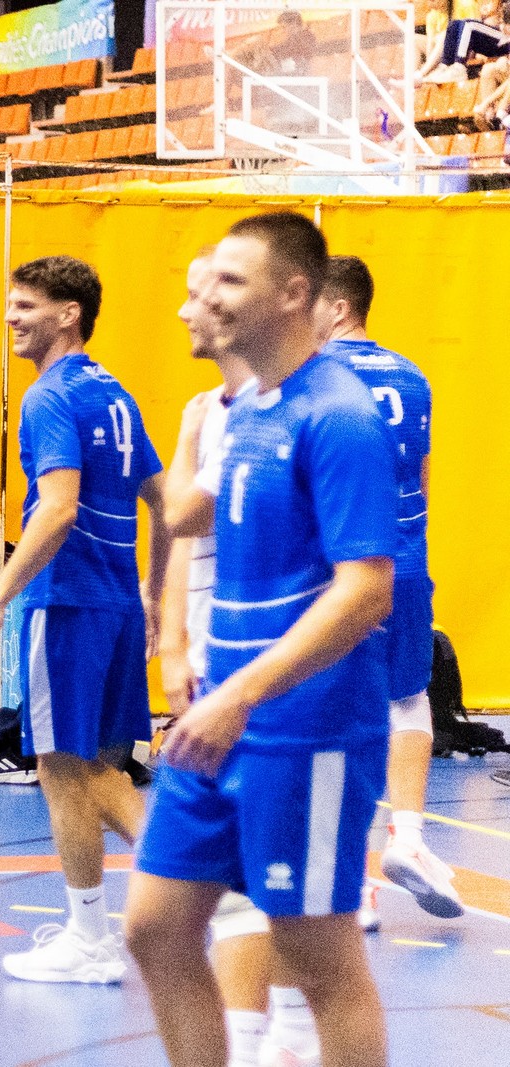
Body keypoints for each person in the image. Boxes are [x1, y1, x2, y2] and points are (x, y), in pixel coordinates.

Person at [125, 212, 395, 1067]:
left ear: (293, 294)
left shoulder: (340, 415)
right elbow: (189, 522)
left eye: (230, 281)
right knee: (155, 927)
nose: (207, 297)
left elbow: (366, 590)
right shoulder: (244, 412)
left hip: (307, 729)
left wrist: (240, 693)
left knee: (321, 960)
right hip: (222, 718)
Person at [0, 255, 170, 984]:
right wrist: (153, 593)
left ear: (68, 314)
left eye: (25, 305)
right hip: (115, 604)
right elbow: (165, 502)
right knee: (95, 769)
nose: (11, 317)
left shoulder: (49, 395)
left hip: (67, 601)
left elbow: (56, 509)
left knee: (59, 770)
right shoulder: (114, 392)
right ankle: (209, 881)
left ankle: (89, 938)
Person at [160, 250, 320, 1067]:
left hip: (270, 672)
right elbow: (180, 530)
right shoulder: (208, 411)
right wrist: (172, 640)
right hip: (211, 651)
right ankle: (265, 1035)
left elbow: (185, 512)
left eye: (212, 289)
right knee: (178, 909)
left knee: (280, 891)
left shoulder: (294, 411)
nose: (192, 307)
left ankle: (281, 1033)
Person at [317, 255, 461, 928]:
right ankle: (406, 837)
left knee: (333, 715)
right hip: (404, 559)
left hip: (337, 569)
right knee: (408, 700)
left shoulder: (310, 378)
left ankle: (353, 886)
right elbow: (421, 480)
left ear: (339, 307)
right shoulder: (412, 376)